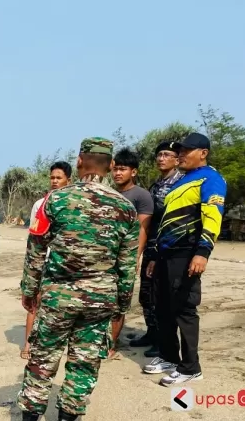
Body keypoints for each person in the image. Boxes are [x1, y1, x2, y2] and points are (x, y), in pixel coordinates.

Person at [18, 138, 139, 421]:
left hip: (58, 297)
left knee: (42, 359)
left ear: (79, 162)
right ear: (110, 166)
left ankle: (31, 415)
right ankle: (68, 416)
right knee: (84, 364)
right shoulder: (126, 208)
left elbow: (35, 251)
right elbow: (127, 265)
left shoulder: (55, 200)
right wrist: (120, 305)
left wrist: (29, 290)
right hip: (100, 301)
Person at [143, 132, 226, 386]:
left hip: (187, 252)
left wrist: (202, 252)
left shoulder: (211, 179)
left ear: (203, 153)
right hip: (166, 254)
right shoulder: (181, 181)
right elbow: (165, 223)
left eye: (186, 150)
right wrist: (156, 256)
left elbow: (213, 216)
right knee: (163, 307)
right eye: (179, 150)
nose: (180, 154)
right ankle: (169, 356)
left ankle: (190, 367)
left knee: (184, 309)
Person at [129, 140, 184, 357]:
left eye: (167, 154)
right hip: (152, 245)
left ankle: (164, 341)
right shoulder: (156, 185)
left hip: (168, 248)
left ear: (177, 159)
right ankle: (152, 333)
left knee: (161, 296)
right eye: (159, 154)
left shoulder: (180, 184)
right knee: (146, 294)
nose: (161, 158)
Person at [21, 161, 72, 360]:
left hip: (64, 264)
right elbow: (34, 237)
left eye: (59, 178)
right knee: (35, 303)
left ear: (69, 179)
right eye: (52, 177)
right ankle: (28, 342)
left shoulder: (73, 204)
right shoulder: (39, 205)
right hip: (44, 261)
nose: (54, 181)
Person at [111, 147, 154, 358]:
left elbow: (143, 228)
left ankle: (111, 344)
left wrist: (136, 256)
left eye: (123, 169)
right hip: (106, 256)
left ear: (134, 172)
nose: (118, 173)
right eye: (116, 169)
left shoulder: (141, 196)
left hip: (126, 256)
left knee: (120, 301)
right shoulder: (109, 193)